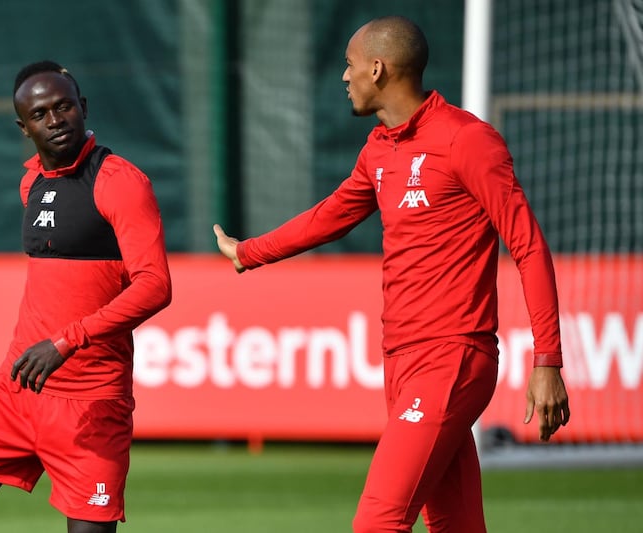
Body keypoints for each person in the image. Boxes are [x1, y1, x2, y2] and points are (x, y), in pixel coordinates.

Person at [213, 16, 570, 533]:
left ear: (377, 69)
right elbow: (329, 217)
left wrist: (547, 360)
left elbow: (528, 246)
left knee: (378, 521)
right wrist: (249, 252)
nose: (344, 76)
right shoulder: (380, 148)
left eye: (350, 65)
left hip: (453, 355)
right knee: (454, 523)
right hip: (400, 360)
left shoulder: (467, 140)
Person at [0, 61, 172, 533]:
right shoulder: (31, 184)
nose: (55, 120)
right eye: (40, 114)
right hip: (18, 386)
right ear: (25, 127)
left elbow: (155, 286)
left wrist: (67, 341)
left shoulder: (120, 181)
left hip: (90, 400)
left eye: (64, 107)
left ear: (82, 108)